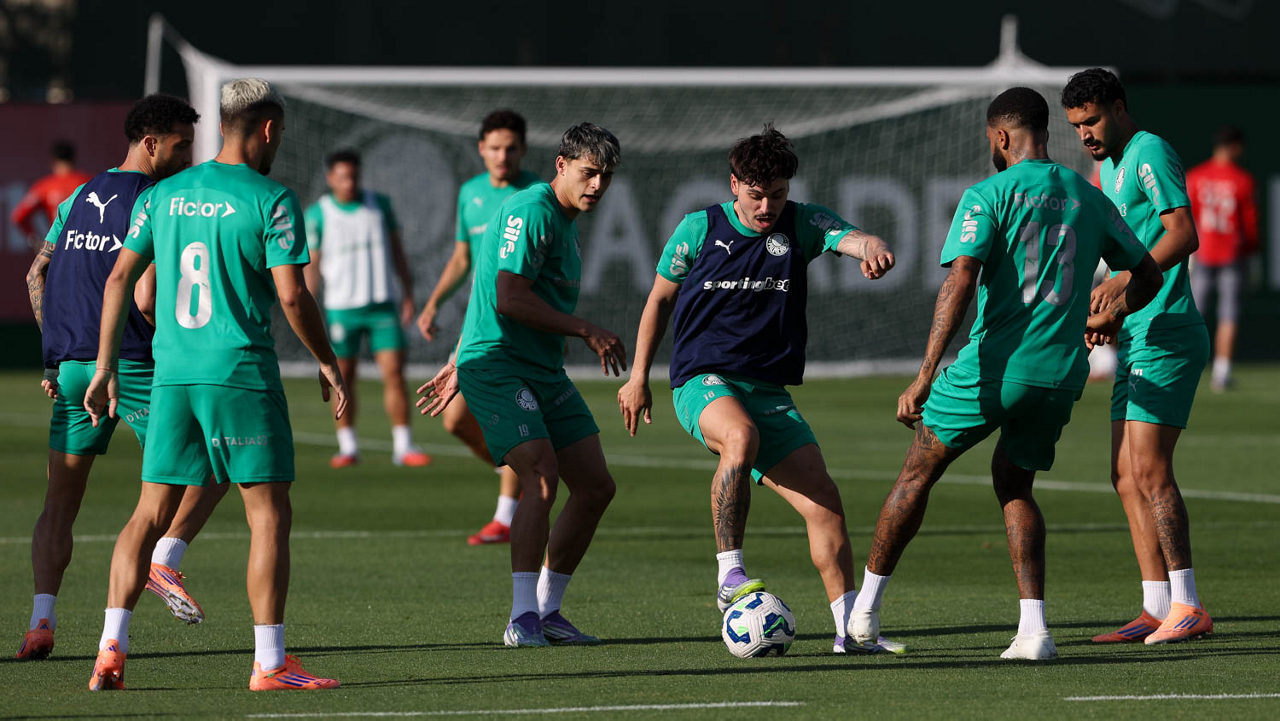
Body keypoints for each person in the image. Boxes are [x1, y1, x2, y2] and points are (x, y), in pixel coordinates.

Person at [849, 87, 1163, 660]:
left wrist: (924, 375)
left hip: (994, 368)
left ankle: (862, 616)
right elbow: (1147, 274)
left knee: (918, 471)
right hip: (1062, 374)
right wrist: (1112, 314)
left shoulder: (988, 193)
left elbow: (959, 281)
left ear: (1000, 137)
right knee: (1015, 483)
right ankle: (1034, 631)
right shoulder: (1086, 197)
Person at [84, 78, 345, 691]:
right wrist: (328, 359)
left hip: (171, 374)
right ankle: (269, 663)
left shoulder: (164, 193)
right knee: (268, 515)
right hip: (240, 374)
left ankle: (109, 652)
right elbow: (290, 294)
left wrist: (105, 367)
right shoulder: (273, 198)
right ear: (269, 129)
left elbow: (122, 279)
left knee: (147, 515)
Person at [617, 124, 905, 654]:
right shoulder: (697, 229)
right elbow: (658, 301)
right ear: (734, 186)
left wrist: (875, 248)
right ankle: (730, 573)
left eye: (777, 193)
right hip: (702, 380)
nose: (767, 205)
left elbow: (853, 237)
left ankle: (851, 633)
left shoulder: (802, 223)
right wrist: (639, 378)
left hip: (768, 389)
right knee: (740, 437)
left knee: (826, 507)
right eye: (756, 194)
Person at [16, 95, 225, 662]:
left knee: (60, 502)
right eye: (182, 145)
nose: (188, 156)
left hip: (73, 365)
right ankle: (164, 561)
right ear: (152, 143)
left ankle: (41, 620)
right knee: (216, 457)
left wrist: (55, 358)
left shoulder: (79, 195)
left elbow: (39, 272)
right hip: (133, 363)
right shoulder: (161, 197)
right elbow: (146, 295)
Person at [418, 123, 625, 647]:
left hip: (540, 368)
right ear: (561, 165)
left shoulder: (564, 219)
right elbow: (508, 297)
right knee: (539, 476)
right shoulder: (531, 210)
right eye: (588, 172)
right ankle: (520, 618)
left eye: (605, 176)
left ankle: (548, 611)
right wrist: (587, 329)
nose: (597, 185)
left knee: (597, 485)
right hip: (499, 364)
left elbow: (490, 287)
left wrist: (455, 353)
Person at [1062, 68, 1214, 646]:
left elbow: (1183, 232)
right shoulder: (1111, 165)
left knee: (1150, 470)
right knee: (1125, 476)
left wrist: (1121, 298)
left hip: (1168, 330)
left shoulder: (1149, 151)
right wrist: (1106, 303)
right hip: (1138, 332)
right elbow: (1129, 250)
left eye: (1093, 121)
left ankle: (1189, 603)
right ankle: (1156, 606)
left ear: (1120, 108)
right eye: (1077, 126)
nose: (1086, 136)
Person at [417, 110, 539, 545]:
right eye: (494, 147)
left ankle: (507, 516)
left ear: (522, 150)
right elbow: (462, 258)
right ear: (482, 150)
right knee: (454, 419)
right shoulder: (471, 193)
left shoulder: (538, 195)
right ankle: (525, 472)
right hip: (480, 323)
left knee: (508, 417)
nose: (502, 155)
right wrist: (433, 303)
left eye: (510, 148)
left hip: (520, 329)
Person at [303, 149, 429, 468]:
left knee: (395, 374)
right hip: (341, 308)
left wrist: (408, 293)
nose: (349, 182)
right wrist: (310, 305)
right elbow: (312, 266)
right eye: (342, 176)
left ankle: (404, 446)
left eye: (354, 175)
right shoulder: (319, 213)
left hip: (382, 304)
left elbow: (398, 252)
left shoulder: (379, 205)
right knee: (343, 377)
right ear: (331, 178)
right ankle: (348, 447)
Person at [1186, 125, 1258, 392]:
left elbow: (1184, 218)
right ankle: (1222, 370)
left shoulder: (1196, 176)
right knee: (1228, 315)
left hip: (1202, 252)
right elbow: (1249, 226)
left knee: (1194, 314)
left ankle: (1187, 366)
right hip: (1231, 254)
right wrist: (1252, 254)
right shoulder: (1242, 180)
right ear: (1235, 146)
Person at [11, 141, 93, 251]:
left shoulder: (45, 187)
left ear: (53, 161)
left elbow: (18, 216)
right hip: (86, 245)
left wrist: (34, 239)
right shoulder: (89, 182)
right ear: (73, 159)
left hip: (58, 247)